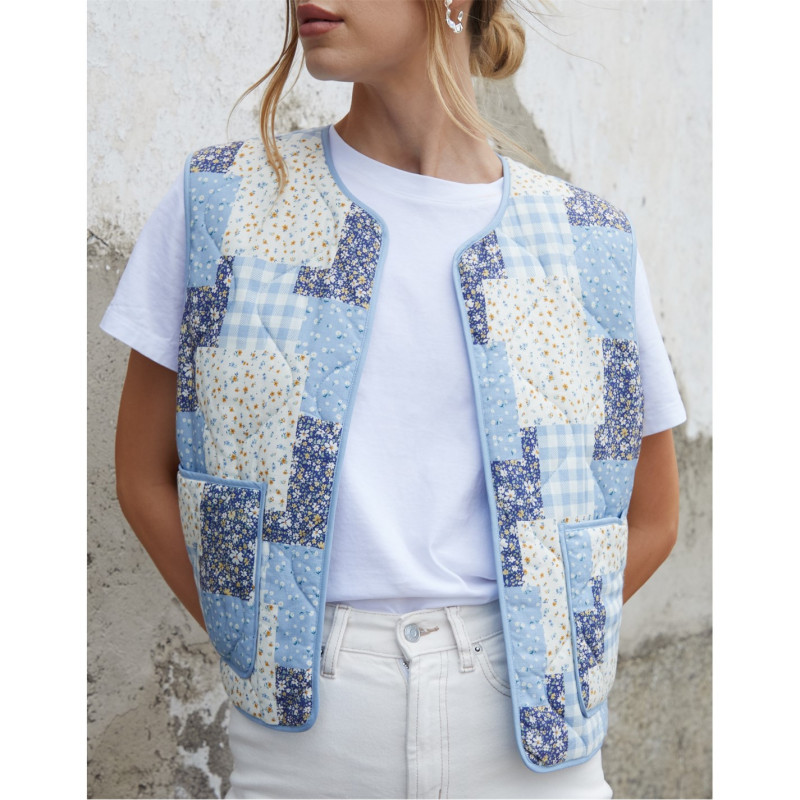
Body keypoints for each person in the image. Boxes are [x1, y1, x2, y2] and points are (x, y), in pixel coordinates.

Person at [101, 1, 685, 797]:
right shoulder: (222, 201)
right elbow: (142, 475)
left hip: (531, 744)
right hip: (307, 745)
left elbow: (653, 515)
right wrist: (258, 636)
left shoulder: (590, 241)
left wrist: (545, 641)